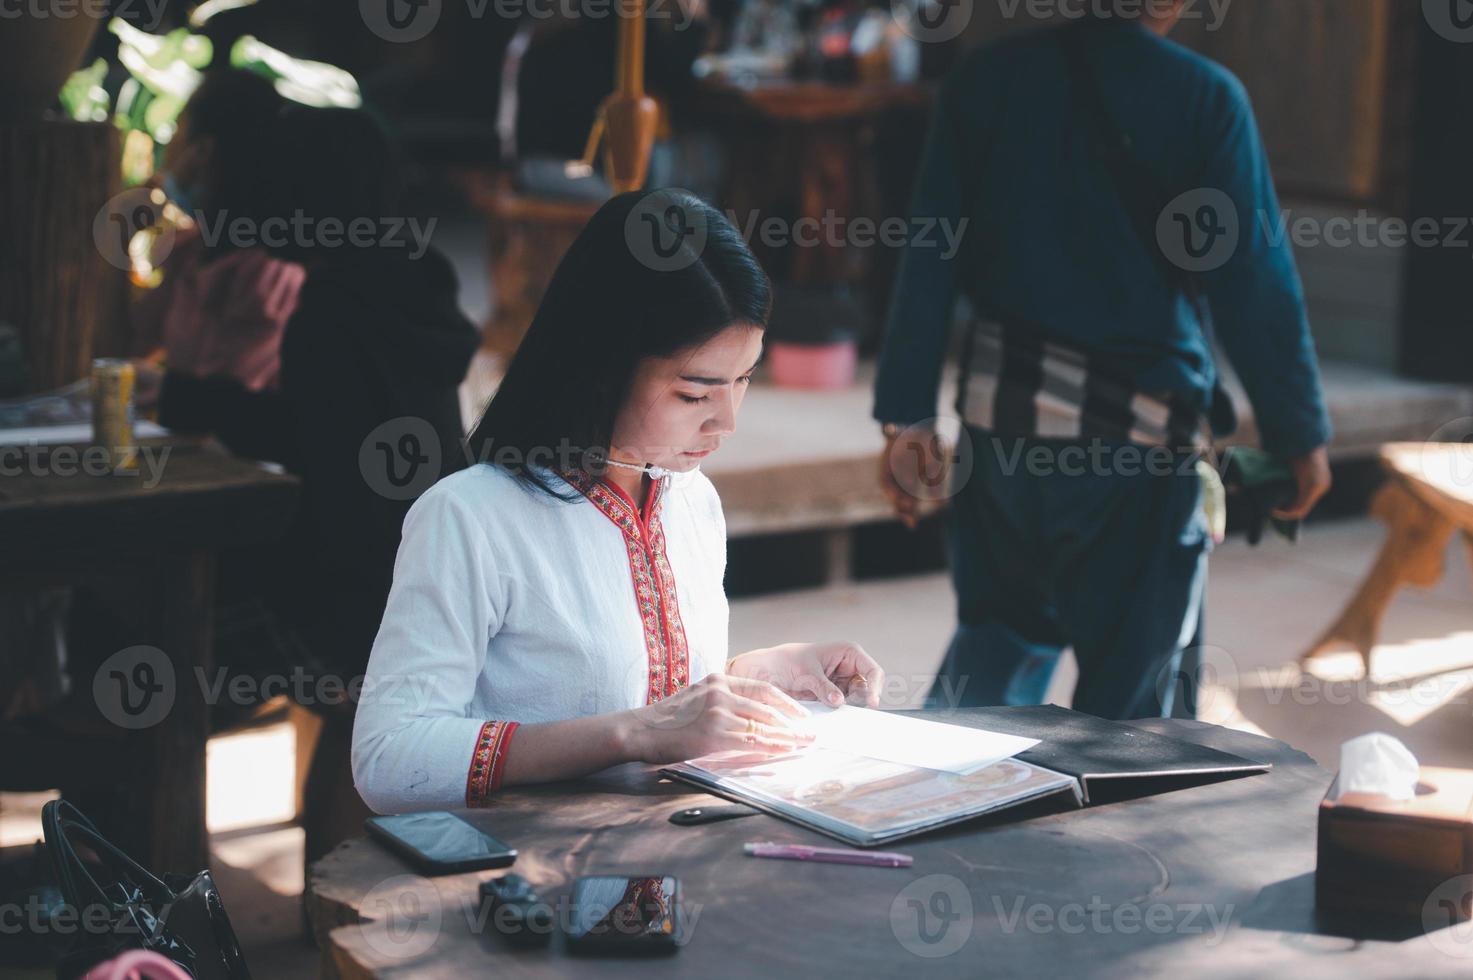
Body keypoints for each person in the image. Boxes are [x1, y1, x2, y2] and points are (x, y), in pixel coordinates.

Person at [351, 190, 884, 812]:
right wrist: (629, 735)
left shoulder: (690, 501)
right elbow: (389, 758)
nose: (726, 422)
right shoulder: (470, 519)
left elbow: (659, 699)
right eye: (694, 394)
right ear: (603, 366)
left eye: (743, 379)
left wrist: (759, 675)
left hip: (676, 877)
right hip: (535, 890)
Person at [874, 3, 1333, 720]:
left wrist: (905, 417)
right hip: (1138, 453)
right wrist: (1297, 433)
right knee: (1137, 721)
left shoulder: (983, 80)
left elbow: (927, 257)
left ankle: (929, 811)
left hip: (1003, 438)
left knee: (991, 674)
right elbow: (1253, 280)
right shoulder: (1206, 97)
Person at [134, 104, 480, 861]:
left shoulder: (328, 306)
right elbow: (325, 434)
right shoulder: (414, 283)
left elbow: (317, 467)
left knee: (154, 631)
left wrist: (188, 410)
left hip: (348, 602)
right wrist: (190, 400)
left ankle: (147, 859)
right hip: (419, 578)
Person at [131, 69, 305, 393]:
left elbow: (231, 393)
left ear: (202, 151)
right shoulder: (192, 250)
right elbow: (138, 340)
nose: (169, 147)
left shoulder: (269, 271)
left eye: (177, 130)